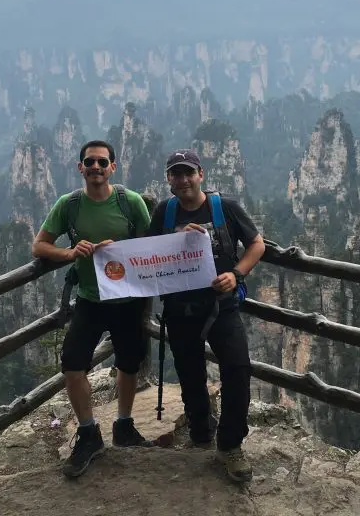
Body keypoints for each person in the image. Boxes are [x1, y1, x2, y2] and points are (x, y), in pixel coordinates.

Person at [32, 140, 155, 479]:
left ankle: (124, 425)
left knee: (128, 363)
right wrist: (70, 253)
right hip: (90, 298)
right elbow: (39, 245)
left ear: (113, 167)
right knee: (72, 363)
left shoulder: (130, 203)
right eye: (90, 162)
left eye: (103, 162)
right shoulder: (68, 205)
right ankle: (88, 433)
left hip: (128, 299)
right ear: (80, 167)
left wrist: (123, 249)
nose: (96, 167)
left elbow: (151, 245)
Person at [148, 149, 266, 483]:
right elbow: (147, 254)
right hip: (180, 307)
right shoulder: (164, 211)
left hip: (221, 305)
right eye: (176, 174)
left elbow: (257, 245)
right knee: (189, 372)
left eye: (189, 173)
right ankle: (200, 429)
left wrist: (237, 274)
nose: (183, 180)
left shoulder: (223, 207)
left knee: (238, 367)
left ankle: (230, 445)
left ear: (201, 174)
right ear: (169, 179)